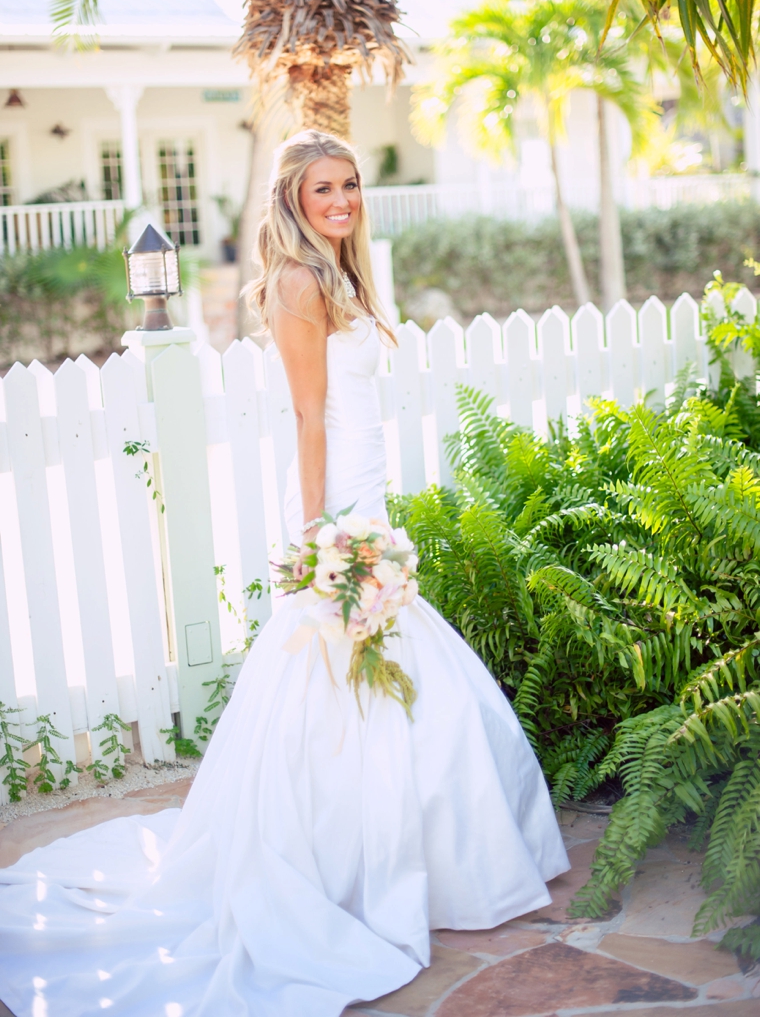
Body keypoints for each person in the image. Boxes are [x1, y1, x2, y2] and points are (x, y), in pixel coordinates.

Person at [0, 130, 568, 1017]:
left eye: (348, 186)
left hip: (371, 492)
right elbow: (310, 417)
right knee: (340, 675)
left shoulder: (342, 274)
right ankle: (349, 868)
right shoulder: (301, 283)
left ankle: (417, 864)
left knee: (401, 681)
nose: (340, 202)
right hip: (342, 502)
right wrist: (322, 538)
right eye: (321, 191)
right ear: (292, 203)